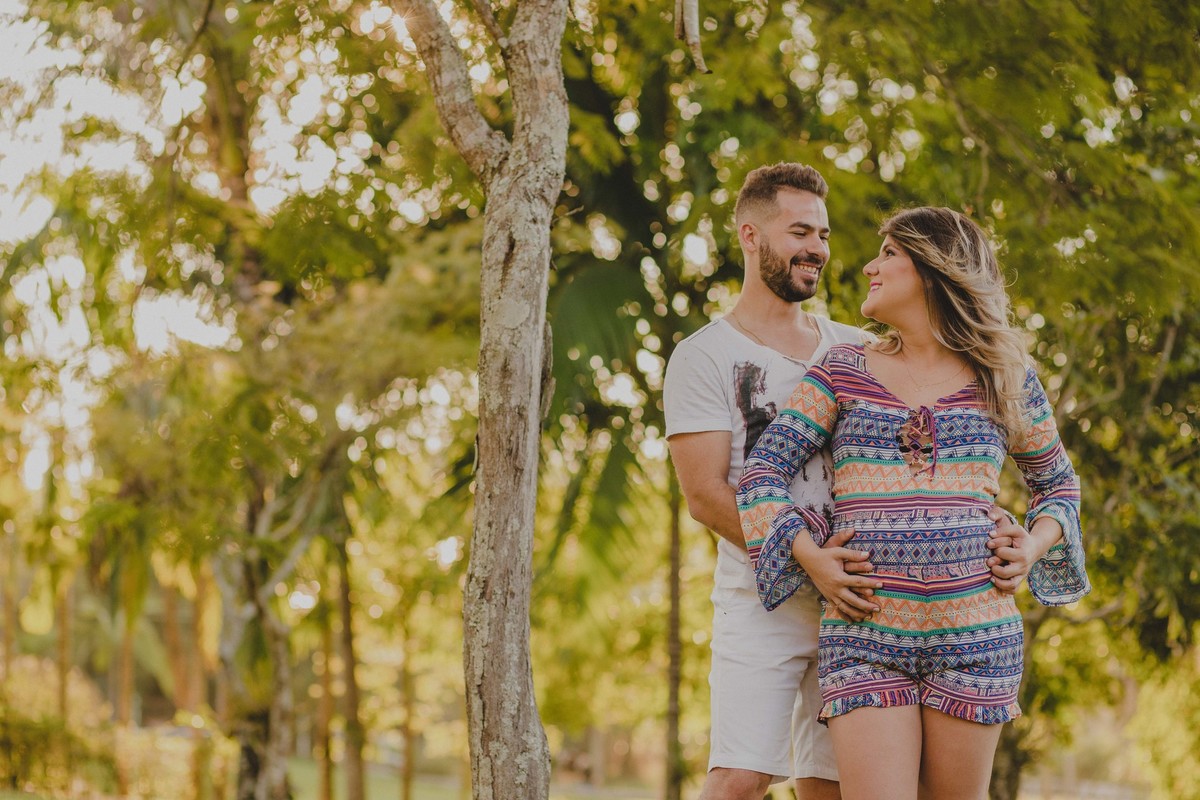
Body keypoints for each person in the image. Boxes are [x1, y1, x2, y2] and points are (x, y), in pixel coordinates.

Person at [664, 165, 1030, 800]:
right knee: (741, 777)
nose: (819, 249)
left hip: (868, 610)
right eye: (800, 231)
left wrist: (1001, 529)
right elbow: (706, 495)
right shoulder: (705, 354)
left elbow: (940, 448)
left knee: (826, 789)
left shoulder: (857, 348)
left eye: (825, 234)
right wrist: (813, 563)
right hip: (766, 598)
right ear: (750, 236)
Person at [736, 206, 1090, 800]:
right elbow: (762, 475)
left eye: (889, 254)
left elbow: (1058, 486)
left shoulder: (1004, 377)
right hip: (865, 635)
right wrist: (810, 558)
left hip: (977, 637)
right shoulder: (841, 372)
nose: (870, 266)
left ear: (933, 268)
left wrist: (1032, 545)